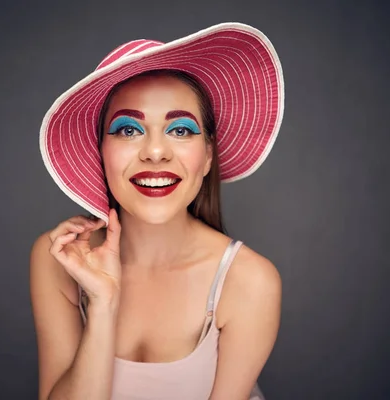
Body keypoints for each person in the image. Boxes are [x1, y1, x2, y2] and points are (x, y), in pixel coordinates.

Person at [30, 23, 285, 400]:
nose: (154, 151)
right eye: (128, 130)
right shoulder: (61, 259)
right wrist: (102, 305)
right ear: (99, 152)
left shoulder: (249, 282)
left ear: (208, 155)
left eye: (180, 130)